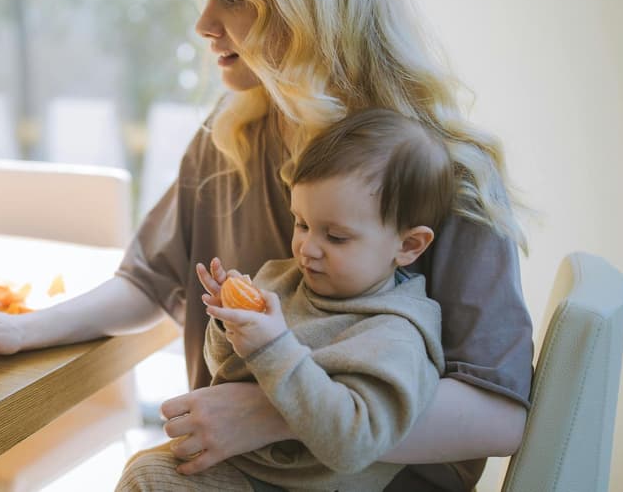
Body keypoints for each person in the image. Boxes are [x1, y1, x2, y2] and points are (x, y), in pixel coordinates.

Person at [0, 0, 533, 489]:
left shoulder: (448, 171)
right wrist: (26, 327)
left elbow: (500, 412)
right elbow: (148, 282)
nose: (203, 22)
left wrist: (277, 410)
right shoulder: (228, 140)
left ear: (306, 1)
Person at [117, 108, 453, 491]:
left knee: (148, 478)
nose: (307, 248)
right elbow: (226, 373)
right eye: (302, 224)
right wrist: (230, 326)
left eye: (336, 237)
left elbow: (353, 445)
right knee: (148, 469)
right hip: (244, 467)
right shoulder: (283, 279)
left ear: (408, 245)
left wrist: (274, 346)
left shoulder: (395, 335)